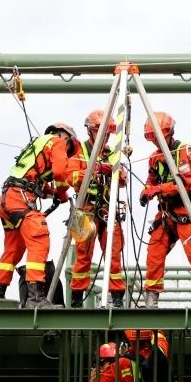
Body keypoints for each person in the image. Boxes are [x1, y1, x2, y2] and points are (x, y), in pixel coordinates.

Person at [139, 112, 191, 309]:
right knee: (154, 252)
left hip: (186, 210)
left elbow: (185, 183)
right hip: (166, 212)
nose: (157, 141)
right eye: (153, 137)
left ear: (169, 133)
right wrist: (145, 192)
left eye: (160, 136)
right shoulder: (154, 158)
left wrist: (158, 189)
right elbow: (150, 182)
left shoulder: (185, 151)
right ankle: (151, 298)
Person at [0, 123, 76, 308]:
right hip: (19, 198)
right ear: (66, 137)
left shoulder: (38, 145)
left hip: (7, 199)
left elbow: (33, 182)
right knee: (39, 239)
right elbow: (61, 173)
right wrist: (61, 193)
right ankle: (36, 298)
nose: (66, 152)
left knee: (14, 249)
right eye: (68, 148)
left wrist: (52, 193)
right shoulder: (58, 142)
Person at [68, 111, 126, 308]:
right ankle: (76, 298)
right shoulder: (79, 150)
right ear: (91, 131)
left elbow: (124, 180)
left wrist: (114, 170)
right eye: (101, 132)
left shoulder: (111, 153)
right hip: (85, 208)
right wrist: (95, 170)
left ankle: (117, 296)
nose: (105, 137)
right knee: (83, 255)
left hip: (108, 210)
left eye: (108, 133)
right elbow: (72, 177)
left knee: (113, 255)